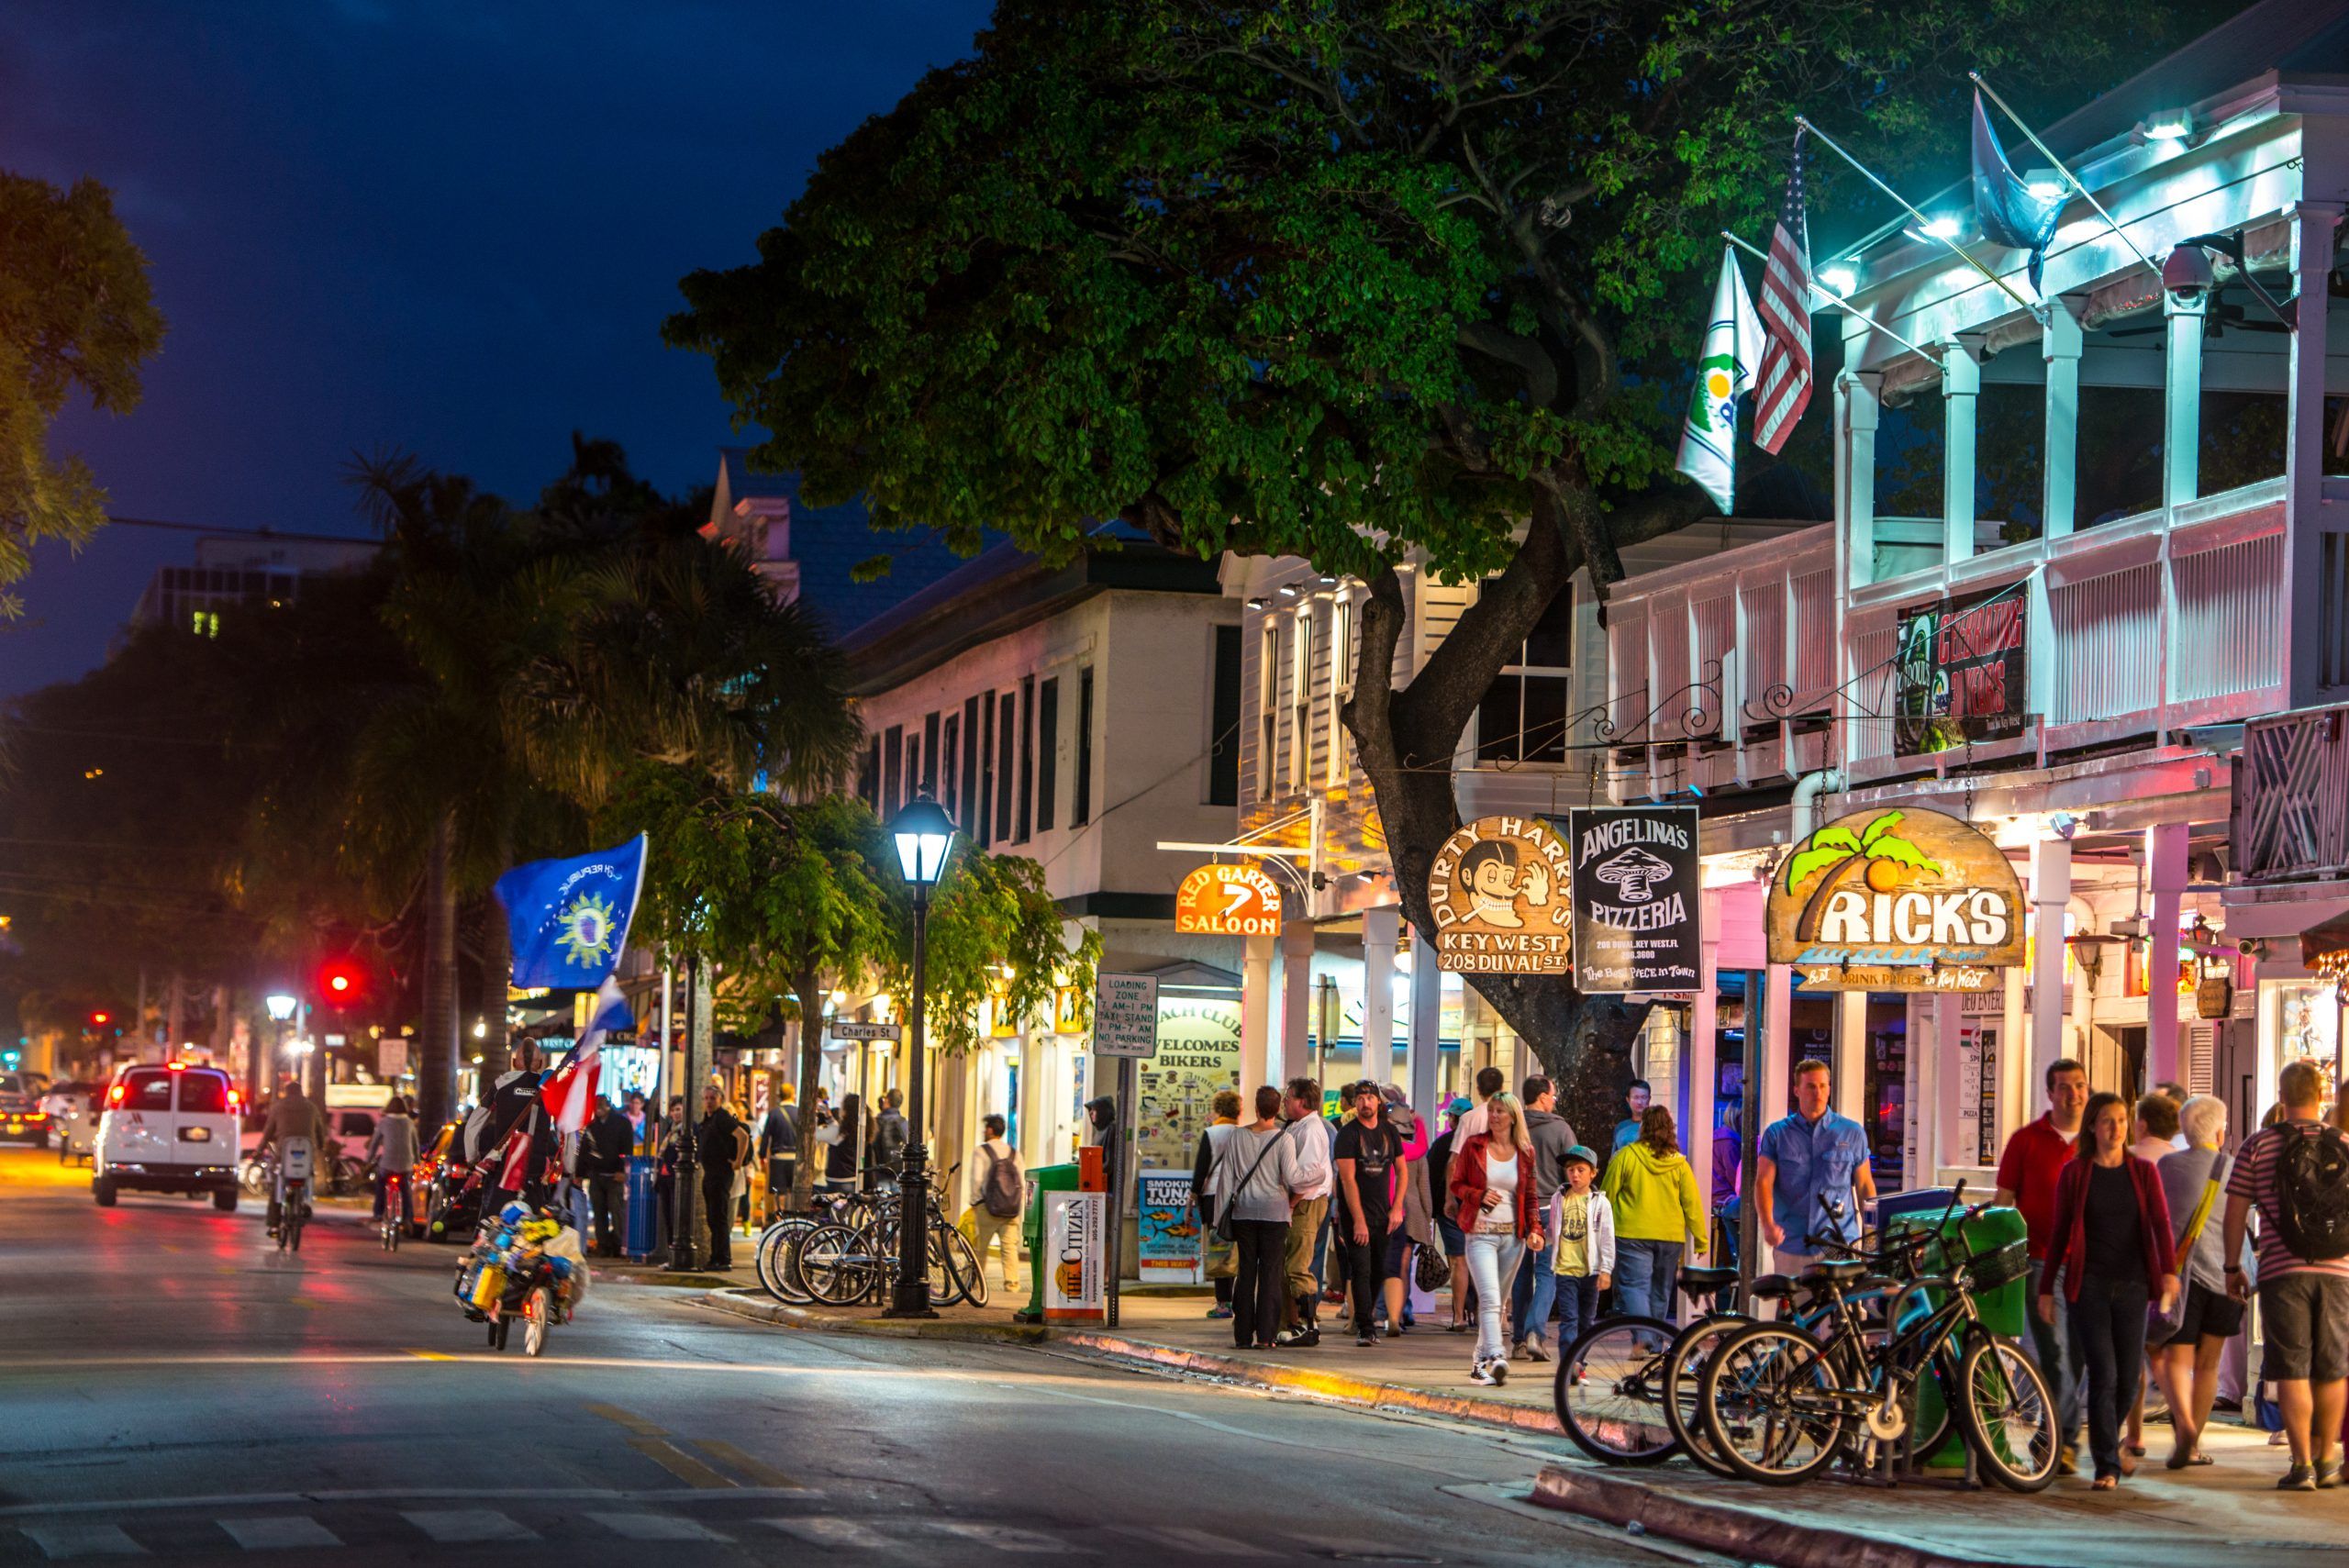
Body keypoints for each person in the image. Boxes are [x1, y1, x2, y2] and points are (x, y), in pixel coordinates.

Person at [2039, 1091, 2178, 1489]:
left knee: (2128, 1380)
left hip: (2134, 1285)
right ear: (2093, 1128)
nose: (2115, 1128)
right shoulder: (2077, 1173)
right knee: (2104, 1373)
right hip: (2090, 1286)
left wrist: (2168, 1272)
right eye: (2106, 1121)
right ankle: (2106, 1466)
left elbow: (2160, 1222)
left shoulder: (2142, 1172)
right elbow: (2060, 1231)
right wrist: (2048, 1288)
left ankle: (2106, 1440)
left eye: (2121, 1120)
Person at [2223, 1059, 2349, 1491]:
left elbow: (2236, 1208)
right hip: (2339, 1271)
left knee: (2292, 1367)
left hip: (2281, 1270)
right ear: (2321, 1096)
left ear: (2282, 1096)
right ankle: (2328, 1458)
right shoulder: (2345, 1142)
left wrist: (2232, 1266)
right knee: (2333, 1367)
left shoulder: (2259, 1145)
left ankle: (2301, 1467)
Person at [1995, 1056, 2092, 1473]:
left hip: (2092, 1265)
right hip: (2041, 1261)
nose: (2074, 1094)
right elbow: (2004, 1201)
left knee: (2078, 1357)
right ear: (2050, 1093)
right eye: (2065, 1087)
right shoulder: (2026, 1140)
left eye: (2080, 1086)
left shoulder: (2099, 1139)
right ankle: (2067, 1441)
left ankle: (2049, 1436)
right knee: (2054, 1352)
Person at [2154, 1093, 2241, 1470]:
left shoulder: (2167, 1167)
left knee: (2177, 1356)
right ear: (2220, 1133)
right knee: (2209, 1363)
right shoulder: (2235, 1169)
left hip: (2182, 1277)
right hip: (2225, 1277)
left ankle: (2183, 1427)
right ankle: (2192, 1444)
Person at [1448, 1091, 1544, 1386]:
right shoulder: (1474, 1145)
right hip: (1480, 1233)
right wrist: (1478, 1195)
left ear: (1513, 1116)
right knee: (1489, 1298)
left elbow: (1529, 1195)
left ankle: (1479, 1361)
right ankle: (1496, 1356)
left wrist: (1536, 1229)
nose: (1494, 1116)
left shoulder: (1525, 1151)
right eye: (1492, 1110)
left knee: (1498, 1303)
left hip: (1512, 1236)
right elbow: (1457, 1183)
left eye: (1500, 1111)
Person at [1207, 1085, 1308, 1351]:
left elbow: (1226, 1178)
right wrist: (1316, 1178)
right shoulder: (1284, 1139)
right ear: (1278, 1110)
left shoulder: (1239, 1137)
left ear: (1256, 1107)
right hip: (1275, 1214)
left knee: (1246, 1272)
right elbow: (1294, 1178)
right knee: (1271, 1275)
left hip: (1244, 1214)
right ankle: (1265, 1336)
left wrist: (1219, 1218)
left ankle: (1242, 1335)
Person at [1756, 1059, 1875, 1275]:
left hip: (1840, 1243)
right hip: (1793, 1243)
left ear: (1829, 1088)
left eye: (1822, 1086)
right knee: (1796, 1308)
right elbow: (1763, 1182)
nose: (1817, 1092)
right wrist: (1768, 1225)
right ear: (1797, 1090)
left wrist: (1872, 1236)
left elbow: (1865, 1185)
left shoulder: (1852, 1132)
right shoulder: (1777, 1134)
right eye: (1810, 1086)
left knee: (1845, 1308)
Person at [1602, 1106, 1707, 1327]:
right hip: (1670, 1236)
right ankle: (1657, 1341)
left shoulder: (1626, 1157)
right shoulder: (1680, 1163)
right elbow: (1692, 1203)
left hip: (1632, 1234)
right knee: (1660, 1291)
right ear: (1670, 1129)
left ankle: (1644, 1337)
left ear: (1643, 1127)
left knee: (1634, 1287)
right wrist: (1700, 1239)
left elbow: (1607, 1194)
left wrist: (1598, 1228)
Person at [1333, 1082, 1408, 1347]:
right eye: (1361, 1098)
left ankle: (1365, 1316)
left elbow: (1402, 1170)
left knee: (1378, 1269)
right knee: (1361, 1269)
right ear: (1355, 1103)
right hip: (1355, 1214)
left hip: (1383, 1214)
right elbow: (1347, 1180)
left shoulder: (1389, 1132)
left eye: (1370, 1098)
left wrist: (1397, 1206)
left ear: (1378, 1102)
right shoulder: (1348, 1134)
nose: (1365, 1103)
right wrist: (1358, 1221)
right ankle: (1366, 1327)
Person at [1511, 1074, 1577, 1362]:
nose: (1554, 1100)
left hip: (1518, 1209)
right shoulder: (1561, 1129)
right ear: (1541, 1096)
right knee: (1547, 1273)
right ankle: (1535, 1332)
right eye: (1552, 1095)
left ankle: (1518, 1341)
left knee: (1521, 1274)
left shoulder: (1514, 1126)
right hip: (1550, 1209)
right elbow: (1573, 1170)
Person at [1276, 1077, 1333, 1347]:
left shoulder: (1311, 1129)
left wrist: (1291, 1202)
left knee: (1298, 1265)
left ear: (1302, 1101)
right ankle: (1291, 1321)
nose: (1285, 1102)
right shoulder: (1297, 1126)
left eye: (1288, 1097)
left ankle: (1308, 1325)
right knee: (1289, 1264)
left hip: (1307, 1203)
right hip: (1300, 1201)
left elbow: (1308, 1175)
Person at [1552, 1145, 1615, 1351]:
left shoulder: (1601, 1203)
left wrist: (1606, 1269)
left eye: (1581, 1170)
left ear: (1593, 1173)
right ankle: (1569, 1366)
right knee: (1569, 1319)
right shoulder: (1558, 1198)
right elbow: (1553, 1229)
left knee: (1586, 1322)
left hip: (1591, 1271)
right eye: (1571, 1170)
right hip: (1565, 1269)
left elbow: (1607, 1237)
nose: (1575, 1175)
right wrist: (1541, 1238)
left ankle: (1579, 1363)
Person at [1193, 1089, 1244, 1318]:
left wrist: (1193, 1194)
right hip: (1239, 1196)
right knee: (1237, 1248)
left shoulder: (1211, 1133)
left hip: (1214, 1197)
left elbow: (1201, 1168)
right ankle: (1239, 1300)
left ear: (1217, 1109)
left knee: (1219, 1248)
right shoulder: (1244, 1133)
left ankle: (1223, 1303)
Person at [1386, 1085, 1432, 1335]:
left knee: (1383, 1262)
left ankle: (1381, 1311)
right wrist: (1428, 1218)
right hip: (1412, 1213)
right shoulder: (1416, 1153)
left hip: (1387, 1208)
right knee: (1403, 1264)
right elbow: (1423, 1187)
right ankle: (1400, 1312)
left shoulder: (1385, 1148)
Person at [1427, 1100, 1472, 1332]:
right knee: (1479, 1260)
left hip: (1451, 1208)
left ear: (1454, 1120)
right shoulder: (1483, 1144)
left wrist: (1435, 1208)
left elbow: (1432, 1176)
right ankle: (1488, 1316)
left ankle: (1458, 1316)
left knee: (1459, 1261)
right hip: (1478, 1207)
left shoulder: (1444, 1144)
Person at [968, 1114, 1024, 1297]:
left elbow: (976, 1180)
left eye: (986, 1128)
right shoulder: (1014, 1153)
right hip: (1010, 1209)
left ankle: (975, 1284)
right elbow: (1021, 1182)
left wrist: (975, 1202)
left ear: (991, 1130)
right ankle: (1012, 1285)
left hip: (988, 1207)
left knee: (980, 1248)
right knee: (1009, 1248)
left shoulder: (981, 1151)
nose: (984, 1131)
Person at [579, 1094, 633, 1257]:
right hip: (597, 1174)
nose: (598, 1110)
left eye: (601, 1106)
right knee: (599, 1210)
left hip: (614, 1174)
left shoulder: (621, 1124)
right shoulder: (592, 1126)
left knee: (616, 1211)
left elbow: (626, 1148)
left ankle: (618, 1244)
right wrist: (580, 1172)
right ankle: (603, 1244)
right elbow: (584, 1150)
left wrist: (623, 1171)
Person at [696, 1085, 744, 1269]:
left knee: (719, 1217)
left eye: (712, 1098)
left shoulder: (723, 1118)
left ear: (720, 1100)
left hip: (721, 1174)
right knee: (712, 1218)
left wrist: (738, 1161)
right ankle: (715, 1256)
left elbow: (742, 1136)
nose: (709, 1102)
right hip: (710, 1173)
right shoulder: (709, 1119)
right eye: (706, 1098)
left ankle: (723, 1258)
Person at [364, 1093, 418, 1225]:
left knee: (381, 1184)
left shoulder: (384, 1122)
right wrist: (417, 1161)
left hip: (387, 1163)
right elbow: (415, 1145)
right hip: (406, 1164)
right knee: (405, 1189)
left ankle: (378, 1212)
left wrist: (368, 1159)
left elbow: (374, 1144)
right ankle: (407, 1217)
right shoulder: (409, 1123)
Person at [758, 1084, 799, 1221]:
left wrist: (762, 1155)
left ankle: (780, 1222)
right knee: (794, 1193)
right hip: (796, 1158)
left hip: (778, 1158)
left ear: (779, 1095)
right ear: (793, 1095)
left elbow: (766, 1136)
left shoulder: (774, 1113)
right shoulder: (800, 1112)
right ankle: (793, 1221)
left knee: (780, 1194)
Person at [653, 1095, 686, 1254]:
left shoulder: (686, 1129)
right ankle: (669, 1250)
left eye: (678, 1109)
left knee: (676, 1216)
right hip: (665, 1177)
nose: (676, 1113)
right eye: (673, 1110)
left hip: (677, 1178)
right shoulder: (670, 1129)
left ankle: (676, 1252)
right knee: (668, 1217)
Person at [1453, 1065, 1506, 1141]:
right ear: (1502, 1088)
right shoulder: (1513, 1115)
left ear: (1478, 1090)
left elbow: (1458, 1152)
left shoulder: (1467, 1118)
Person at [873, 1089, 910, 1177]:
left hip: (880, 1171)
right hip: (898, 1171)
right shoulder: (903, 1122)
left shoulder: (876, 1121)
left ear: (887, 1100)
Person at [1610, 1079, 1653, 1154]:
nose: (1640, 1102)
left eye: (1643, 1097)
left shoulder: (1657, 1125)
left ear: (1649, 1099)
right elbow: (1614, 1158)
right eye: (1636, 1097)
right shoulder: (1621, 1128)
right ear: (1628, 1099)